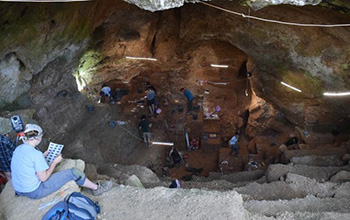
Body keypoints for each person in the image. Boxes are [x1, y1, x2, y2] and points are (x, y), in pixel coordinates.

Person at [11, 124, 112, 199]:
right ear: (37, 138)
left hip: (19, 190)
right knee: (73, 172)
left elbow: (27, 161)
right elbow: (44, 178)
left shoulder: (19, 149)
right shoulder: (36, 155)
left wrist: (43, 155)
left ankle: (95, 187)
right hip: (34, 191)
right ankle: (96, 189)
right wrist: (55, 162)